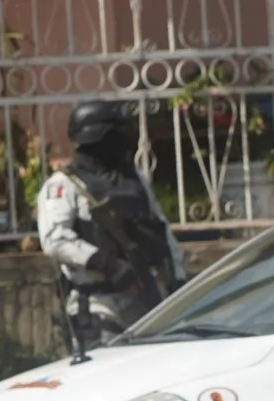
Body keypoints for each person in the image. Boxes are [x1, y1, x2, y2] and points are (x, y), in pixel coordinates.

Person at [38, 99, 187, 352]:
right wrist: (108, 265)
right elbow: (54, 239)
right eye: (116, 133)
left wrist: (179, 280)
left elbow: (160, 227)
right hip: (98, 302)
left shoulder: (134, 179)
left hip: (148, 299)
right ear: (98, 137)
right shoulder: (64, 185)